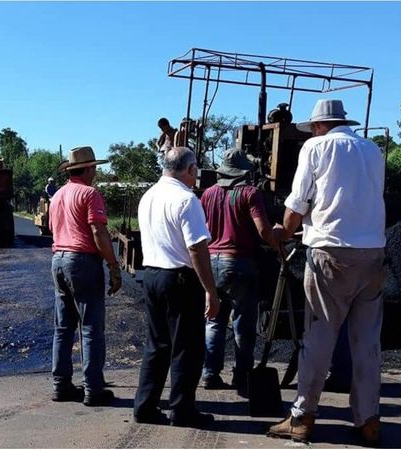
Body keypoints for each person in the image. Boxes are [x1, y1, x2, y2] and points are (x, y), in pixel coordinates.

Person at [267, 100, 386, 446]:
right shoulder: (372, 150)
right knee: (367, 343)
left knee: (319, 336)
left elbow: (298, 202)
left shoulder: (316, 147)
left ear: (319, 125)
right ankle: (368, 422)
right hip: (373, 253)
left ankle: (302, 417)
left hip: (330, 254)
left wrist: (282, 232)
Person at [134, 146, 220, 427]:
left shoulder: (148, 196)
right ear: (190, 169)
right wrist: (210, 289)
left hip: (152, 275)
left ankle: (144, 406)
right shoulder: (186, 199)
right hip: (179, 279)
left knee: (156, 344)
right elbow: (196, 247)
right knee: (187, 347)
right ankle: (182, 410)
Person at [48, 146, 122, 407]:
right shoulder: (90, 194)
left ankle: (61, 385)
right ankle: (93, 389)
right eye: (95, 168)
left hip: (58, 259)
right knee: (90, 327)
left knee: (63, 327)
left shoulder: (57, 195)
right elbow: (98, 232)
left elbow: (52, 229)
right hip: (82, 261)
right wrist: (113, 265)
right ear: (89, 169)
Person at [200, 148, 276, 391]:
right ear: (244, 172)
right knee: (243, 323)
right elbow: (263, 231)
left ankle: (210, 373)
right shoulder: (250, 193)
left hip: (211, 262)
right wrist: (279, 247)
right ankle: (242, 374)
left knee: (214, 321)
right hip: (240, 263)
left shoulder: (208, 194)